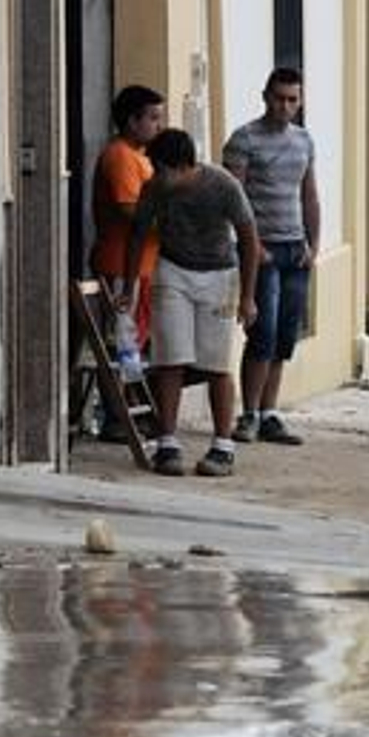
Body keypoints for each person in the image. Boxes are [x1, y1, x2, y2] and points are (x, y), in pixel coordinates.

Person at [123, 128, 260, 478]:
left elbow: (248, 238)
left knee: (215, 364)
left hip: (219, 276)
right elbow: (137, 233)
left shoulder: (223, 185)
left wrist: (247, 296)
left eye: (161, 168)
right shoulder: (155, 189)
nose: (156, 175)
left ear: (183, 166)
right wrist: (129, 286)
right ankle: (167, 442)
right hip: (173, 271)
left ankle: (223, 445)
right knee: (170, 357)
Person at [223, 67, 320, 446]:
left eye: (292, 99)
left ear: (300, 101)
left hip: (295, 249)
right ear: (265, 96)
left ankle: (269, 413)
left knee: (284, 335)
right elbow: (234, 196)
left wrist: (314, 244)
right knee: (260, 333)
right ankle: (247, 414)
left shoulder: (304, 141)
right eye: (279, 98)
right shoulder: (244, 140)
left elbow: (309, 195)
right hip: (260, 251)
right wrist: (251, 244)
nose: (285, 106)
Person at [89, 86, 164, 442]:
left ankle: (133, 406)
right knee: (122, 343)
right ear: (132, 120)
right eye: (152, 118)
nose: (157, 125)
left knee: (137, 342)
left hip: (143, 266)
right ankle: (117, 415)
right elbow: (129, 210)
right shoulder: (120, 156)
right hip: (121, 264)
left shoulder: (142, 156)